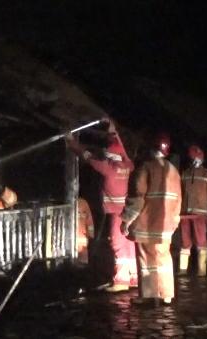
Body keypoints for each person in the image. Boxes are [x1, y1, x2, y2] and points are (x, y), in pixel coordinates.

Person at [66, 118, 135, 292]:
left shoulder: (107, 168)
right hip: (129, 213)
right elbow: (125, 153)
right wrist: (114, 133)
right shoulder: (129, 165)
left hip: (115, 214)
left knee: (117, 245)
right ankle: (134, 278)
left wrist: (72, 143)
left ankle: (121, 281)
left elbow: (87, 156)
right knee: (129, 245)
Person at [121, 132, 182, 305]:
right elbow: (178, 200)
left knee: (146, 260)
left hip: (146, 225)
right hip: (166, 226)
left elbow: (137, 198)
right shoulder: (174, 171)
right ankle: (167, 294)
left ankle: (149, 295)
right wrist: (174, 222)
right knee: (163, 258)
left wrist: (127, 219)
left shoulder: (145, 169)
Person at [178, 144, 207, 276]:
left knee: (201, 242)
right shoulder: (184, 174)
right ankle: (182, 271)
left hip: (200, 215)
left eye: (194, 158)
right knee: (185, 241)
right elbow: (179, 193)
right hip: (184, 214)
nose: (193, 161)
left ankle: (201, 272)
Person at [77, 197, 95, 264]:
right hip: (77, 247)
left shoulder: (83, 203)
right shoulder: (82, 203)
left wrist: (91, 238)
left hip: (83, 247)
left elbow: (90, 224)